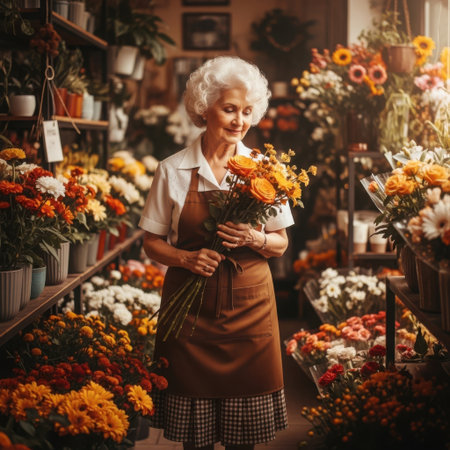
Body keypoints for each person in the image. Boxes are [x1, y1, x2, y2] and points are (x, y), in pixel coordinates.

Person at [139, 56, 294, 450]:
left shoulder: (266, 170)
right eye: (229, 109)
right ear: (203, 108)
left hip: (250, 312)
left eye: (246, 111)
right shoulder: (171, 171)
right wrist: (186, 258)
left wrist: (254, 239)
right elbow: (151, 242)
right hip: (189, 314)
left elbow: (280, 243)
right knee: (197, 439)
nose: (239, 120)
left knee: (245, 439)